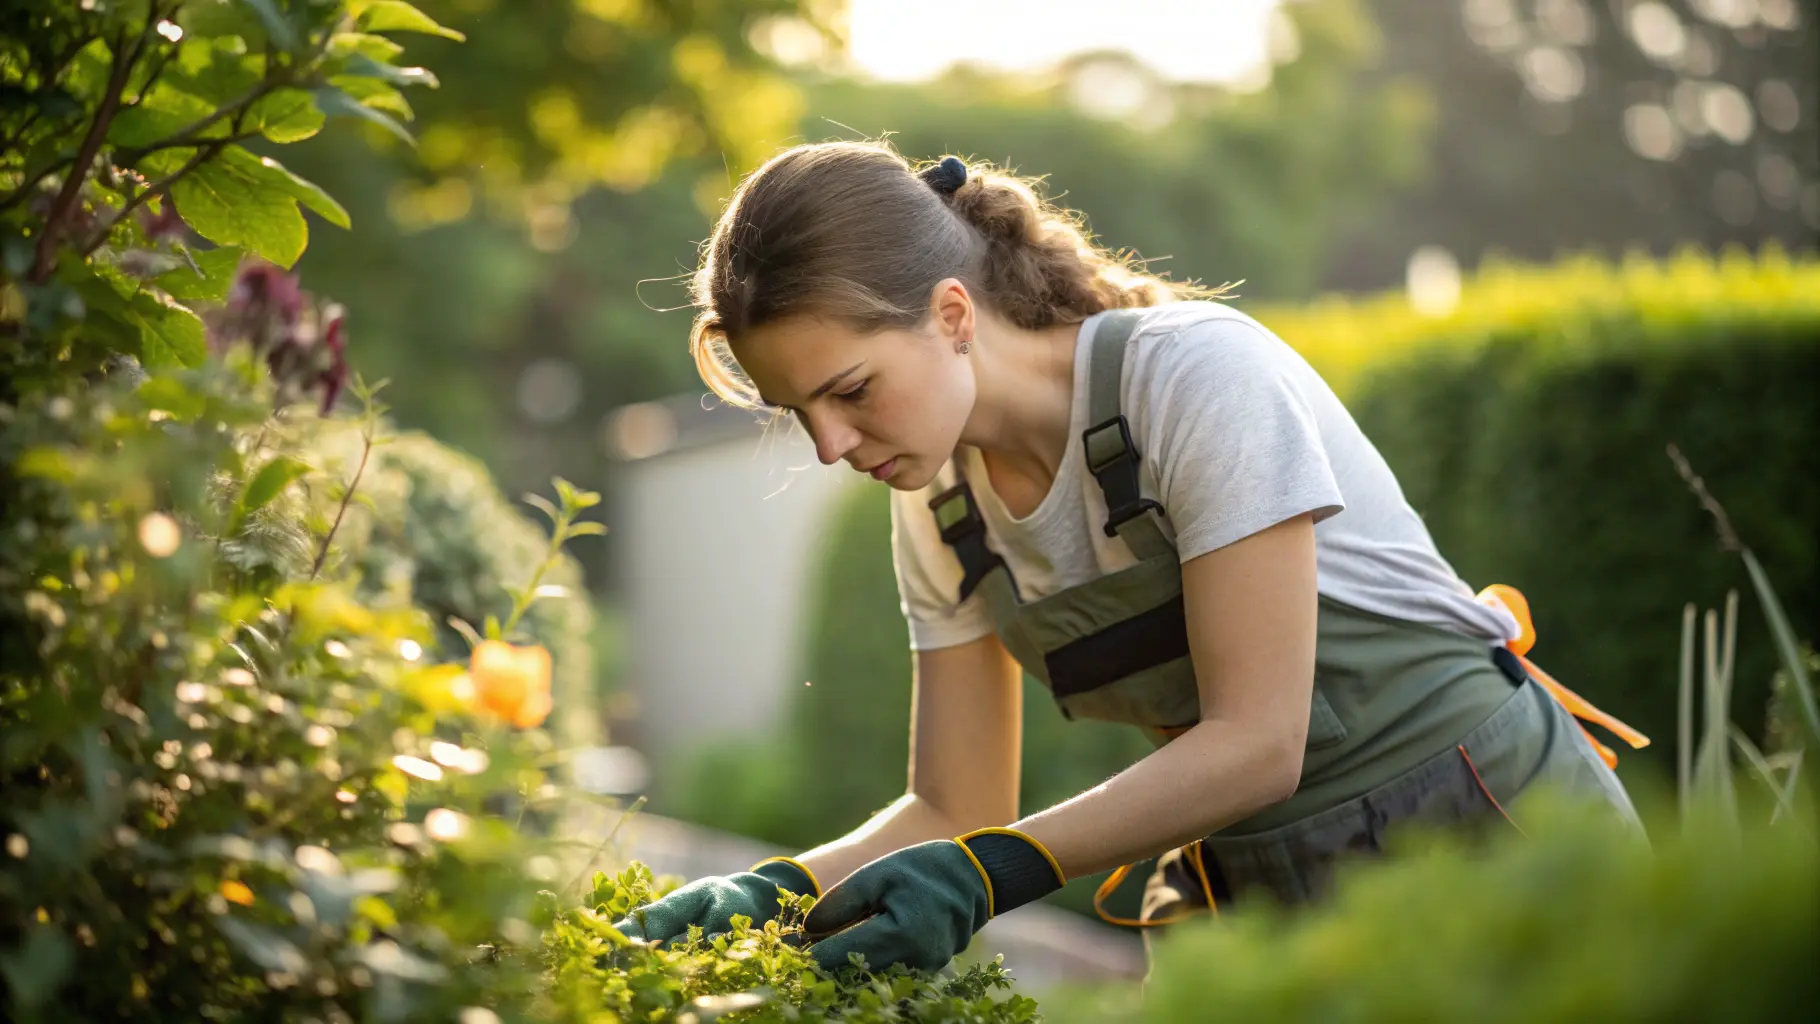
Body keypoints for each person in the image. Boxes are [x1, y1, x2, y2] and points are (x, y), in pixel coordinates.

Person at [613, 141, 1647, 974]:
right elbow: (955, 807)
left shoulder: (1194, 378)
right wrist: (771, 896)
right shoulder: (939, 508)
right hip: (1250, 881)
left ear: (951, 314)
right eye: (800, 415)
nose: (831, 447)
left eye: (850, 389)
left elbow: (1256, 742)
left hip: (1472, 825)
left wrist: (988, 872)